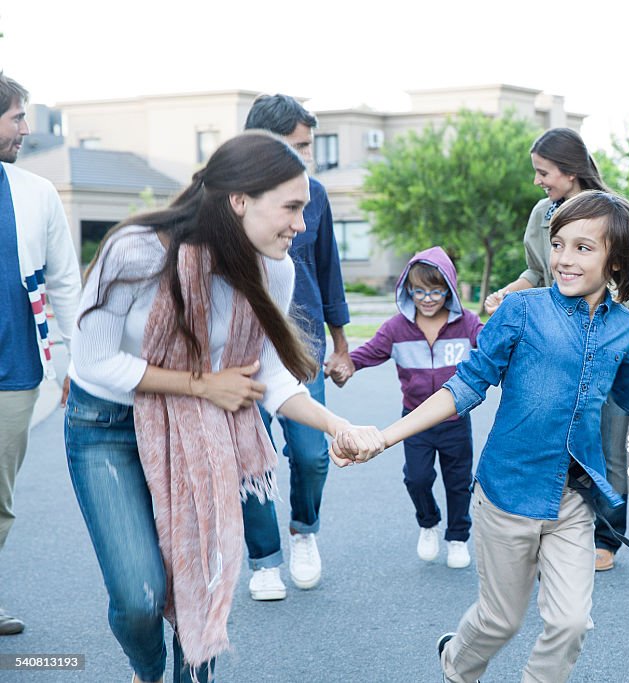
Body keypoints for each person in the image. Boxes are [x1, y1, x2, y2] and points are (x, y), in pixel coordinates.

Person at [333, 191, 629, 683]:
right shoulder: (521, 312)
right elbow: (464, 386)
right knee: (499, 620)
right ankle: (456, 665)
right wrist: (385, 437)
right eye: (559, 244)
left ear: (617, 262)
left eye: (584, 248)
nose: (564, 259)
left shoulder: (626, 330)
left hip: (573, 501)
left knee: (570, 622)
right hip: (507, 493)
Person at [64, 131, 383, 683]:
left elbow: (268, 374)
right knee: (140, 596)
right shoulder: (139, 249)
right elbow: (92, 361)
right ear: (240, 200)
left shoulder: (272, 269)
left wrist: (338, 425)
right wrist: (202, 385)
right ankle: (147, 670)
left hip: (201, 433)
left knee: (202, 579)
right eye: (291, 207)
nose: (301, 225)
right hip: (107, 427)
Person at [484, 127, 629, 572]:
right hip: (551, 346)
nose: (538, 181)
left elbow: (626, 285)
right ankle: (552, 529)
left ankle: (606, 537)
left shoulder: (612, 214)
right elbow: (536, 272)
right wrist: (507, 296)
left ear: (570, 172)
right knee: (551, 436)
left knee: (609, 443)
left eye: (543, 172)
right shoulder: (541, 214)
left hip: (604, 343)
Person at [241, 93, 354, 601]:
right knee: (252, 457)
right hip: (240, 350)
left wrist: (341, 344)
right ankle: (264, 559)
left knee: (312, 454)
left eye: (308, 147)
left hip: (302, 345)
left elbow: (327, 268)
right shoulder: (229, 197)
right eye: (298, 147)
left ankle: (303, 531)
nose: (305, 158)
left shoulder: (317, 195)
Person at [0, 72, 81, 636]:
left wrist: (75, 362)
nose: (26, 129)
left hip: (16, 374)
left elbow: (66, 285)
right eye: (16, 118)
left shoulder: (36, 193)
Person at [347, 247, 482, 569]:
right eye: (419, 291)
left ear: (449, 288)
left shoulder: (467, 324)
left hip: (455, 420)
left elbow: (494, 350)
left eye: (436, 291)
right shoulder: (397, 328)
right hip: (415, 421)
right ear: (408, 289)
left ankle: (458, 537)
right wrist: (340, 365)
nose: (428, 298)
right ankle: (428, 522)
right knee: (417, 478)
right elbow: (365, 354)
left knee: (458, 481)